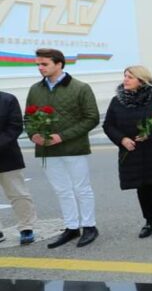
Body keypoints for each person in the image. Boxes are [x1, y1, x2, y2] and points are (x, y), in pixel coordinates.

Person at [25, 48, 100, 248]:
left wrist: (62, 136)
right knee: (62, 190)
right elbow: (28, 117)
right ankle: (72, 227)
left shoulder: (81, 88)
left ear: (59, 64)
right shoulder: (35, 89)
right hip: (47, 150)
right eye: (38, 64)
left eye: (44, 64)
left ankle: (89, 226)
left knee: (81, 188)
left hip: (74, 148)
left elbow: (92, 118)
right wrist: (34, 135)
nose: (40, 68)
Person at [103, 66, 152, 239]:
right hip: (132, 151)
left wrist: (150, 134)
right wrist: (122, 139)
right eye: (125, 76)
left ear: (141, 80)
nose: (125, 79)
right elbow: (108, 125)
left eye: (130, 77)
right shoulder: (117, 100)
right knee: (142, 187)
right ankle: (149, 221)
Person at [0, 90, 38, 245]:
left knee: (18, 193)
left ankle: (26, 227)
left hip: (7, 155)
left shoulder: (8, 99)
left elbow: (15, 127)